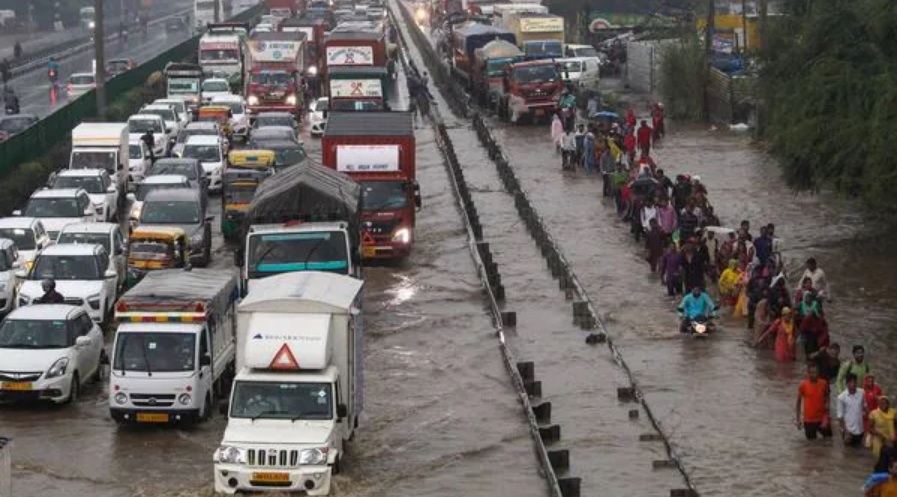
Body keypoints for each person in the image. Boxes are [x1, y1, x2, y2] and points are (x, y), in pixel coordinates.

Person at [796, 363, 832, 440]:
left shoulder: (823, 383)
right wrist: (798, 420)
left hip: (822, 418)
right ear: (808, 373)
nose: (814, 375)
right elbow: (798, 403)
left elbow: (827, 397)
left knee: (829, 440)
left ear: (818, 373)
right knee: (811, 445)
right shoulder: (803, 385)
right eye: (811, 373)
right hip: (809, 420)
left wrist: (827, 416)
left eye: (815, 373)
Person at [838, 373, 868, 447]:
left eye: (855, 382)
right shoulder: (841, 397)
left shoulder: (862, 392)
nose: (853, 384)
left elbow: (865, 407)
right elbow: (840, 417)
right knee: (848, 454)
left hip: (860, 430)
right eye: (851, 382)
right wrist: (845, 432)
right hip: (848, 431)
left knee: (858, 453)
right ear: (847, 383)